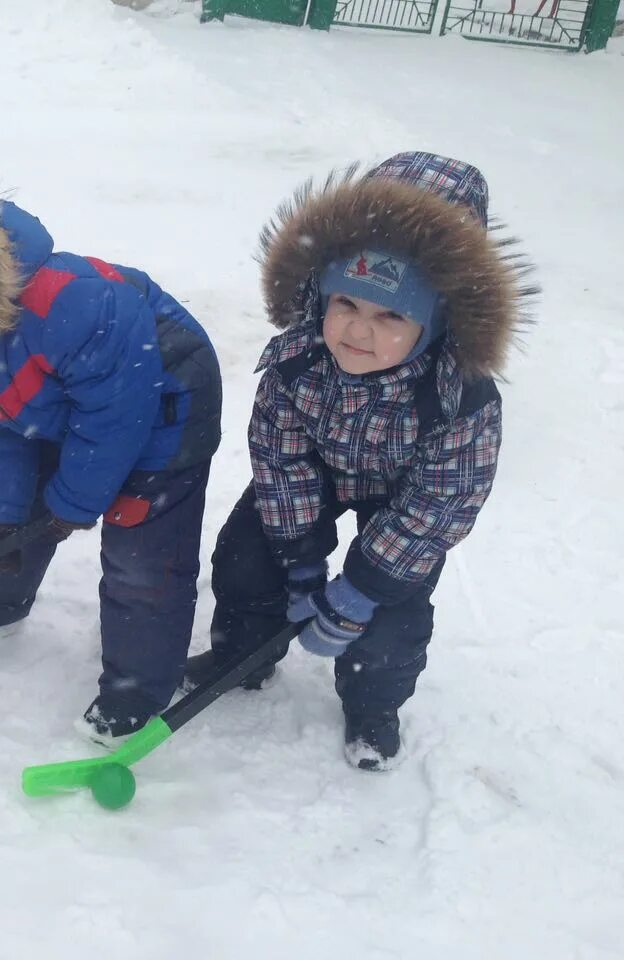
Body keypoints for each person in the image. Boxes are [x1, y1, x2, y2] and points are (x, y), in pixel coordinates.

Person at [200, 151, 534, 770]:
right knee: (247, 559)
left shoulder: (458, 397)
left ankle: (373, 703)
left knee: (391, 619)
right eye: (345, 304)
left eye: (391, 316)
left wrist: (361, 588)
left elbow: (440, 506)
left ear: (437, 324)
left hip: (402, 497)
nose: (358, 330)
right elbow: (281, 458)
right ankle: (240, 654)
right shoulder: (298, 359)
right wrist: (300, 560)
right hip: (318, 471)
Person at [0, 181, 222, 745]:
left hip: (168, 401)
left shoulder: (70, 299)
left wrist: (72, 505)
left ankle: (138, 688)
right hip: (71, 406)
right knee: (19, 512)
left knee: (141, 560)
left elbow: (114, 418)